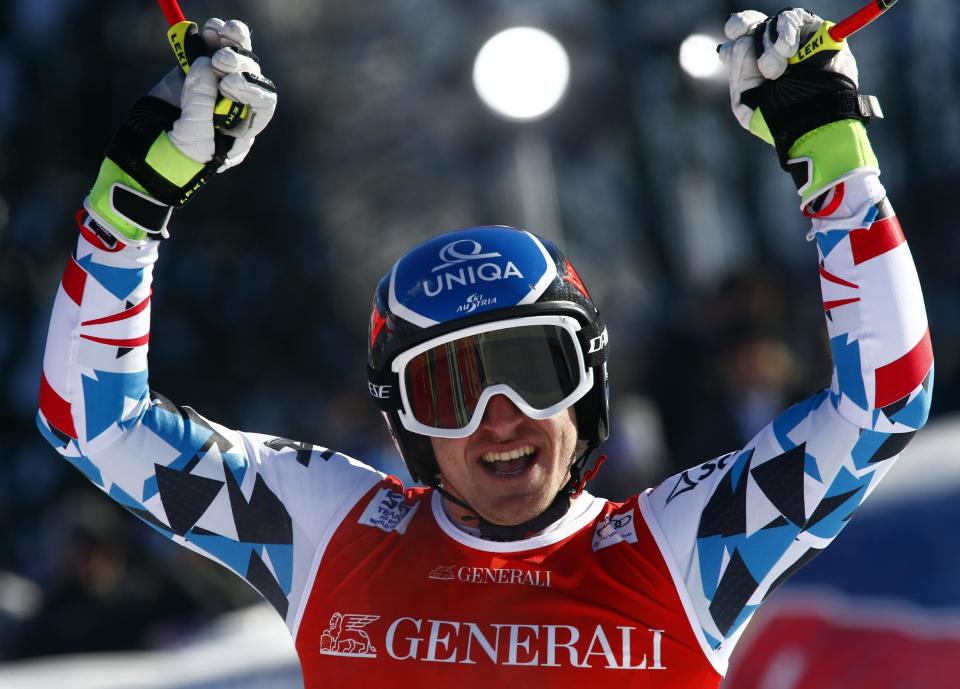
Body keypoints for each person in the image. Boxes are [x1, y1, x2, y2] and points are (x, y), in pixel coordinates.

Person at [36, 9, 933, 687]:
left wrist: (834, 158)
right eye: (448, 387)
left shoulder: (678, 548)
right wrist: (130, 205)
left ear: (587, 392)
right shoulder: (328, 530)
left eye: (537, 370)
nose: (498, 416)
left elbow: (885, 399)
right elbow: (91, 419)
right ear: (407, 422)